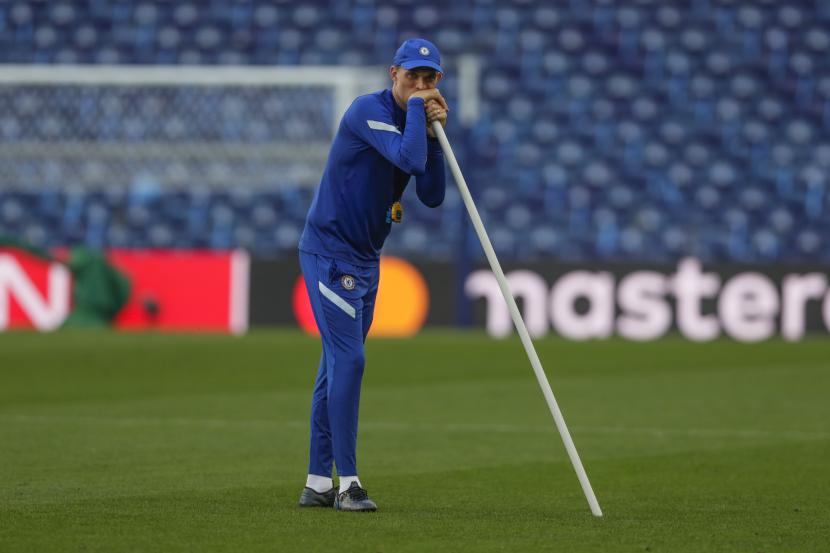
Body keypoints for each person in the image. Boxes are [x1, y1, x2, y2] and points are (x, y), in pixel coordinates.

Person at [296, 38, 449, 512]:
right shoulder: (368, 111)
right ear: (393, 74)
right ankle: (349, 484)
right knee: (351, 360)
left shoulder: (414, 122)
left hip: (367, 258)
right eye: (412, 78)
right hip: (329, 253)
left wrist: (440, 135)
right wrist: (419, 116)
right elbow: (406, 160)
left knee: (335, 366)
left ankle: (318, 481)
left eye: (430, 80)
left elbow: (433, 194)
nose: (420, 87)